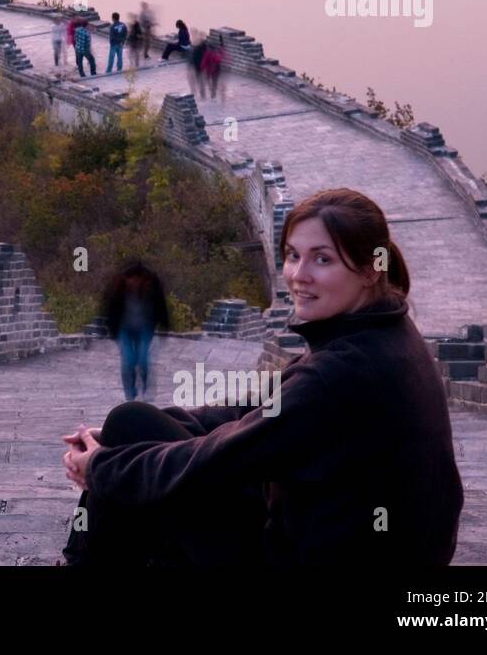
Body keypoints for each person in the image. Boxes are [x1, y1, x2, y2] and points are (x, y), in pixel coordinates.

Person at [60, 188, 463, 567]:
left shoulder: (341, 373)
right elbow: (261, 410)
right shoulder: (386, 331)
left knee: (140, 464)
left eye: (323, 259)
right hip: (358, 546)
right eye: (292, 255)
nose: (298, 275)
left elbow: (217, 461)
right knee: (131, 425)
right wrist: (124, 446)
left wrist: (101, 467)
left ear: (371, 268)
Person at [101, 262, 169, 401]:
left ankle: (145, 388)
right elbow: (109, 308)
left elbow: (160, 305)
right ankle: (130, 393)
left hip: (145, 328)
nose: (134, 283)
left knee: (143, 359)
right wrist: (109, 328)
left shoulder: (152, 287)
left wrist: (164, 323)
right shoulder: (118, 289)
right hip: (124, 329)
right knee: (128, 360)